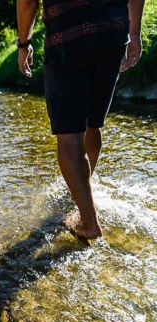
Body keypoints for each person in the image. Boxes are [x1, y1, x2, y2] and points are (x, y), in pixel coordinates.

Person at [17, 0, 146, 239]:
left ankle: (88, 222)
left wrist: (24, 44)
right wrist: (134, 33)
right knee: (92, 124)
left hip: (68, 40)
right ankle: (84, 197)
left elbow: (26, 2)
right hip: (113, 35)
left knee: (69, 137)